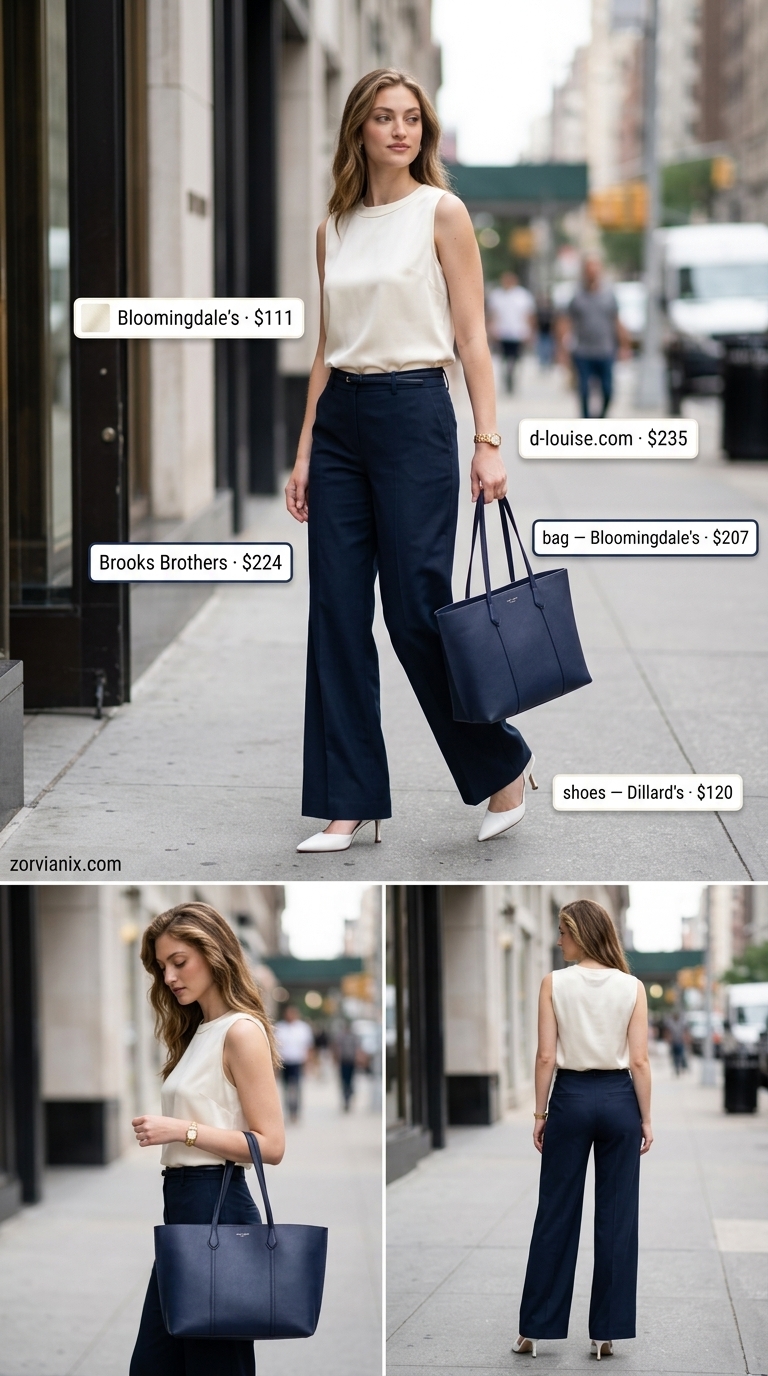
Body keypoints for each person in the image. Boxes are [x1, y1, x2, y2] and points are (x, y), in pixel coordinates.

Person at [286, 68, 536, 855]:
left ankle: (503, 764)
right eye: (385, 118)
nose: (401, 131)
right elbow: (326, 347)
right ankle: (347, 802)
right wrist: (302, 453)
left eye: (412, 119)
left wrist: (487, 440)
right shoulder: (333, 227)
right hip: (340, 424)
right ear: (359, 129)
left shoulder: (443, 212)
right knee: (334, 614)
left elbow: (471, 339)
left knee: (415, 611)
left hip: (415, 413)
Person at [129, 902, 285, 1376]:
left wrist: (183, 1130)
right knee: (157, 1363)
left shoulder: (240, 1031)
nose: (170, 977)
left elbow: (271, 1144)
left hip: (214, 1203)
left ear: (214, 953)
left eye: (180, 961)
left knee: (215, 1365)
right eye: (162, 967)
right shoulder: (199, 1030)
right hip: (181, 1209)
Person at [513, 900, 653, 1362]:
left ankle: (533, 1330)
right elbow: (638, 1061)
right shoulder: (632, 987)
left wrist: (539, 1115)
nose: (558, 941)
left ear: (581, 934)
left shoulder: (554, 983)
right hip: (618, 1101)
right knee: (616, 1218)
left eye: (563, 933)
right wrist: (646, 1119)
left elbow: (546, 1057)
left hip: (570, 1101)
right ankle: (605, 1335)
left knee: (555, 1213)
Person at [561, 259, 630, 417]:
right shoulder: (577, 296)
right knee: (583, 390)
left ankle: (601, 418)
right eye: (589, 271)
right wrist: (562, 349)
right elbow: (566, 321)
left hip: (605, 350)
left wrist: (624, 346)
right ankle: (586, 422)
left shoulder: (609, 296)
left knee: (608, 390)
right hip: (583, 351)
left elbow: (617, 321)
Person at [486, 270, 536, 392]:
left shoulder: (522, 295)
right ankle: (506, 378)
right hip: (502, 333)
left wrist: (530, 331)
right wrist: (491, 330)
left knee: (515, 359)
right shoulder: (496, 296)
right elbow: (492, 315)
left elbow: (528, 315)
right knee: (503, 359)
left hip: (517, 333)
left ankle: (512, 378)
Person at [274, 1004, 315, 1122]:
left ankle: (296, 1111)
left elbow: (308, 1047)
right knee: (286, 1089)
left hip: (298, 1062)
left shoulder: (303, 1028)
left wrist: (308, 1064)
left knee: (297, 1088)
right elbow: (276, 1048)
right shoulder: (280, 1027)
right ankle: (288, 1110)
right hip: (284, 1063)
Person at [333, 1019, 361, 1110]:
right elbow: (336, 1048)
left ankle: (349, 1095)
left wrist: (358, 1059)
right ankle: (346, 1098)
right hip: (343, 1062)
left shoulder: (354, 1036)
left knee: (350, 1081)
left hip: (351, 1062)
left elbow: (357, 1049)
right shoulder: (340, 1036)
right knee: (344, 1081)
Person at [665, 1009, 688, 1075]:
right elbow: (667, 1030)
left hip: (680, 1041)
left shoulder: (682, 1022)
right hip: (673, 1041)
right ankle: (676, 1068)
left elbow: (685, 1030)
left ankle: (681, 1066)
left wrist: (686, 1038)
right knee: (674, 1056)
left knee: (680, 1055)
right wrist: (668, 1038)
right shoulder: (670, 1022)